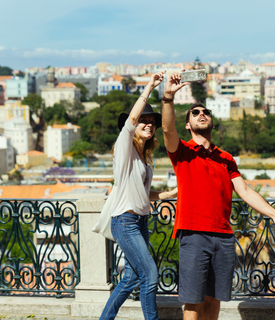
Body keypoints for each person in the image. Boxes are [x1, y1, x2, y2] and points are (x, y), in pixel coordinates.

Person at [161, 72, 275, 320]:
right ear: (188, 125)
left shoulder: (226, 158)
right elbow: (167, 128)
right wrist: (168, 97)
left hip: (223, 236)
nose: (202, 114)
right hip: (194, 233)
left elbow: (244, 190)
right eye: (195, 113)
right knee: (193, 302)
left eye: (206, 112)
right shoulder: (182, 151)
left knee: (213, 300)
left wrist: (274, 213)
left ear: (212, 121)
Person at [99, 71, 177, 320]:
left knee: (131, 277)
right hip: (125, 221)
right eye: (144, 120)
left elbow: (145, 193)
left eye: (152, 121)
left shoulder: (144, 158)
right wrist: (149, 87)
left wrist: (173, 193)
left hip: (140, 221)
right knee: (150, 275)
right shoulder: (125, 148)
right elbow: (132, 118)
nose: (148, 124)